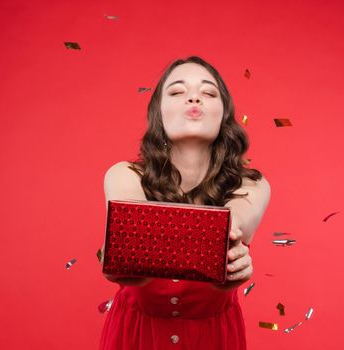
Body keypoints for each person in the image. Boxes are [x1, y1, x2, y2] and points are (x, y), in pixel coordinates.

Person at [99, 56, 271, 349]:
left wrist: (229, 257)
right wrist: (123, 256)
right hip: (135, 335)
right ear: (159, 113)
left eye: (208, 92)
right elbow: (130, 253)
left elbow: (234, 224)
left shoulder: (252, 184)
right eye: (177, 91)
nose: (193, 97)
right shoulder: (124, 174)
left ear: (224, 114)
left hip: (213, 337)